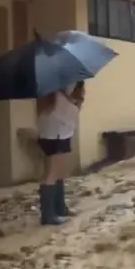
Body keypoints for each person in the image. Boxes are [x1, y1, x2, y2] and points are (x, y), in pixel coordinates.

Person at [35, 81, 85, 225]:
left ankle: (59, 208)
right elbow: (72, 116)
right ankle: (49, 215)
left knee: (59, 173)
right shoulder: (59, 98)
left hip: (53, 136)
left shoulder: (47, 96)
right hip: (57, 136)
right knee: (52, 174)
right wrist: (77, 101)